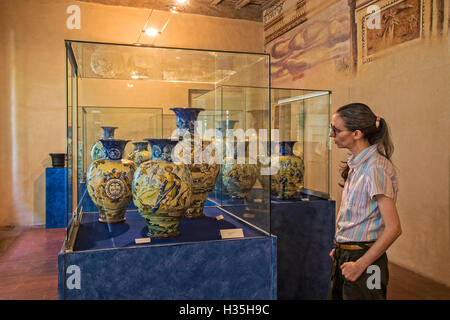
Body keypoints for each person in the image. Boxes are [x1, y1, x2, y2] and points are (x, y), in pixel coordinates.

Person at [328, 103, 402, 300]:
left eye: (336, 130)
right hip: (348, 254)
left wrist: (360, 264)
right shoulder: (357, 165)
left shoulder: (374, 168)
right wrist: (341, 247)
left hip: (365, 257)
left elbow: (394, 228)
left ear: (357, 133)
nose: (331, 135)